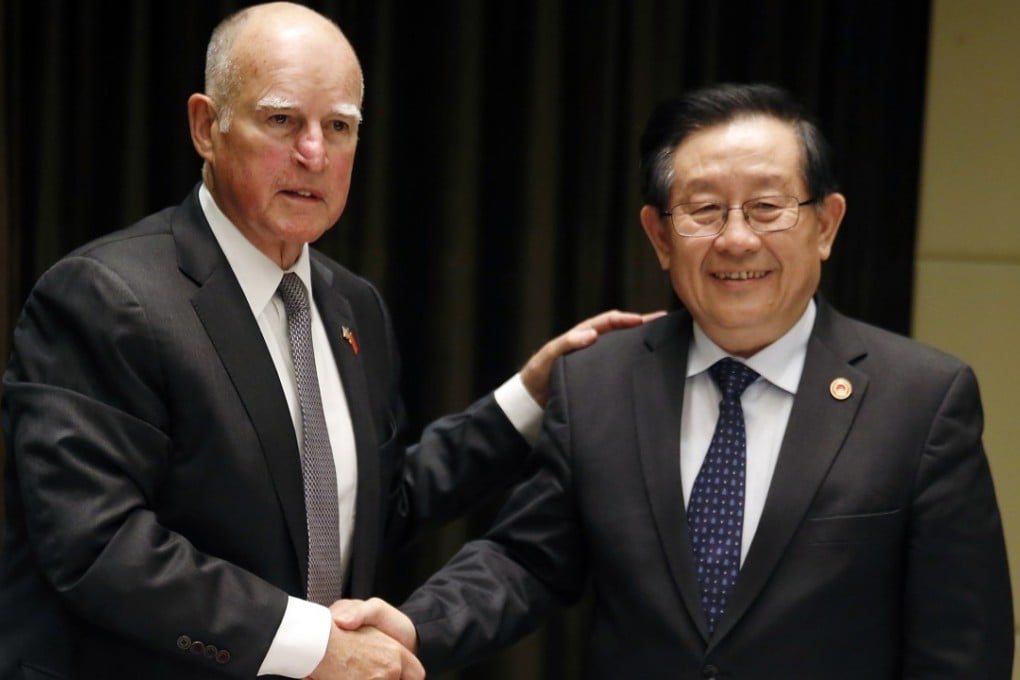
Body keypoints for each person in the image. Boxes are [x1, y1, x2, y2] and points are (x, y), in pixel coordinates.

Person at [0, 3, 648, 679]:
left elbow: (368, 506)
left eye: (338, 127)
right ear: (206, 127)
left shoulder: (352, 305)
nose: (314, 153)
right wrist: (315, 648)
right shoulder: (105, 296)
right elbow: (99, 545)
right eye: (282, 120)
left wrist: (528, 396)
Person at [335, 83, 1015, 678]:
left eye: (767, 207)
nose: (736, 239)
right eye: (705, 210)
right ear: (660, 237)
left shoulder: (920, 401)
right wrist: (416, 629)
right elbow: (526, 560)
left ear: (826, 225)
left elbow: (963, 648)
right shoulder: (599, 383)